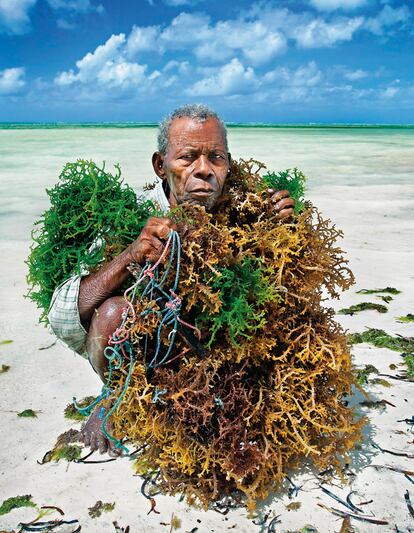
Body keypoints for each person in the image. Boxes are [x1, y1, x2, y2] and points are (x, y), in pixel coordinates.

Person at [48, 103, 295, 454]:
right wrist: (130, 256)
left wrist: (284, 236)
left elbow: (284, 303)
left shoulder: (250, 211)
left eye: (217, 158)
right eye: (187, 157)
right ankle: (117, 396)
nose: (204, 171)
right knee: (112, 313)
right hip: (147, 355)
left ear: (229, 165)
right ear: (160, 166)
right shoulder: (130, 214)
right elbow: (62, 314)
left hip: (210, 357)